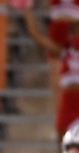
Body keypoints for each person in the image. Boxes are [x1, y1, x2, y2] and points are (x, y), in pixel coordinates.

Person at [24, 7, 79, 139]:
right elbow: (37, 36)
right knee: (62, 137)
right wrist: (27, 12)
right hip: (68, 98)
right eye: (73, 32)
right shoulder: (64, 51)